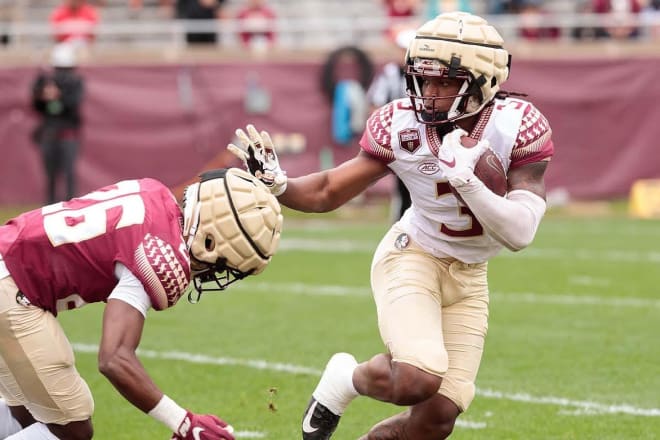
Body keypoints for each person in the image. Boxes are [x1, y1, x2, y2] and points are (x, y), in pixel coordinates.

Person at [228, 11, 554, 440]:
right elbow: (329, 190)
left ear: (482, 82)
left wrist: (467, 181)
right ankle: (346, 379)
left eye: (444, 82)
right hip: (414, 254)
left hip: (471, 277)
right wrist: (280, 185)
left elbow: (520, 233)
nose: (429, 94)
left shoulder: (517, 126)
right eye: (423, 79)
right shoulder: (402, 123)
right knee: (417, 379)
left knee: (437, 418)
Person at [0, 168, 282, 439]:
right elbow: (114, 359)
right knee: (72, 429)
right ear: (211, 240)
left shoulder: (153, 192)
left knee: (30, 412)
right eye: (225, 265)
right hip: (14, 287)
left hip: (7, 258)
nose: (219, 272)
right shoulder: (161, 257)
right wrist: (184, 423)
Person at [365, 28, 415, 222]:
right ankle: (401, 224)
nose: (400, 54)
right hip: (400, 137)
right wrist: (386, 131)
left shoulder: (425, 74)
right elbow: (375, 106)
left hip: (424, 135)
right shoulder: (391, 73)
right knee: (403, 188)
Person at [31, 43, 85, 205]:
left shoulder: (75, 83)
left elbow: (72, 104)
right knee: (51, 175)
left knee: (68, 174)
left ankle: (70, 205)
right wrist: (42, 94)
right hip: (50, 134)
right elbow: (38, 106)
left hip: (68, 135)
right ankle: (50, 206)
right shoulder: (46, 82)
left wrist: (58, 95)